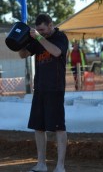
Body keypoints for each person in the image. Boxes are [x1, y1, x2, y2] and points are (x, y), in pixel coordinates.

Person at [18, 14, 68, 172]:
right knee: (38, 127)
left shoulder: (60, 37)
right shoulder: (38, 39)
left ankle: (60, 166)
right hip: (39, 88)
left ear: (51, 25)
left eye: (43, 30)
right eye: (38, 30)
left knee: (59, 127)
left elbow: (57, 52)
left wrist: (39, 37)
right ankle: (41, 164)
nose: (41, 32)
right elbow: (23, 54)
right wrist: (20, 41)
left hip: (55, 88)